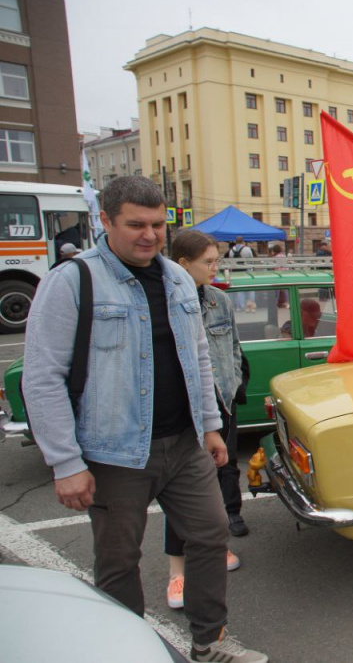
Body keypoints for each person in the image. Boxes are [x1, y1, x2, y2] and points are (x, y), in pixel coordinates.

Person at [22, 176, 267, 662]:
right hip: (114, 452)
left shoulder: (177, 278)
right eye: (136, 224)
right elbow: (43, 376)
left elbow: (197, 357)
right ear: (106, 221)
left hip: (184, 444)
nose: (150, 235)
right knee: (117, 560)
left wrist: (211, 427)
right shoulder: (73, 281)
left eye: (158, 225)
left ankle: (208, 643)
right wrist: (66, 462)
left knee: (210, 533)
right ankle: (125, 652)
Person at [166, 230, 248, 611]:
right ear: (183, 265)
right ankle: (176, 573)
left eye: (217, 260)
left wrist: (230, 386)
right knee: (182, 488)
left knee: (217, 477)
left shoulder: (219, 300)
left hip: (221, 403)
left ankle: (217, 548)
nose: (216, 268)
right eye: (209, 262)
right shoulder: (167, 301)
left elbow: (232, 346)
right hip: (184, 410)